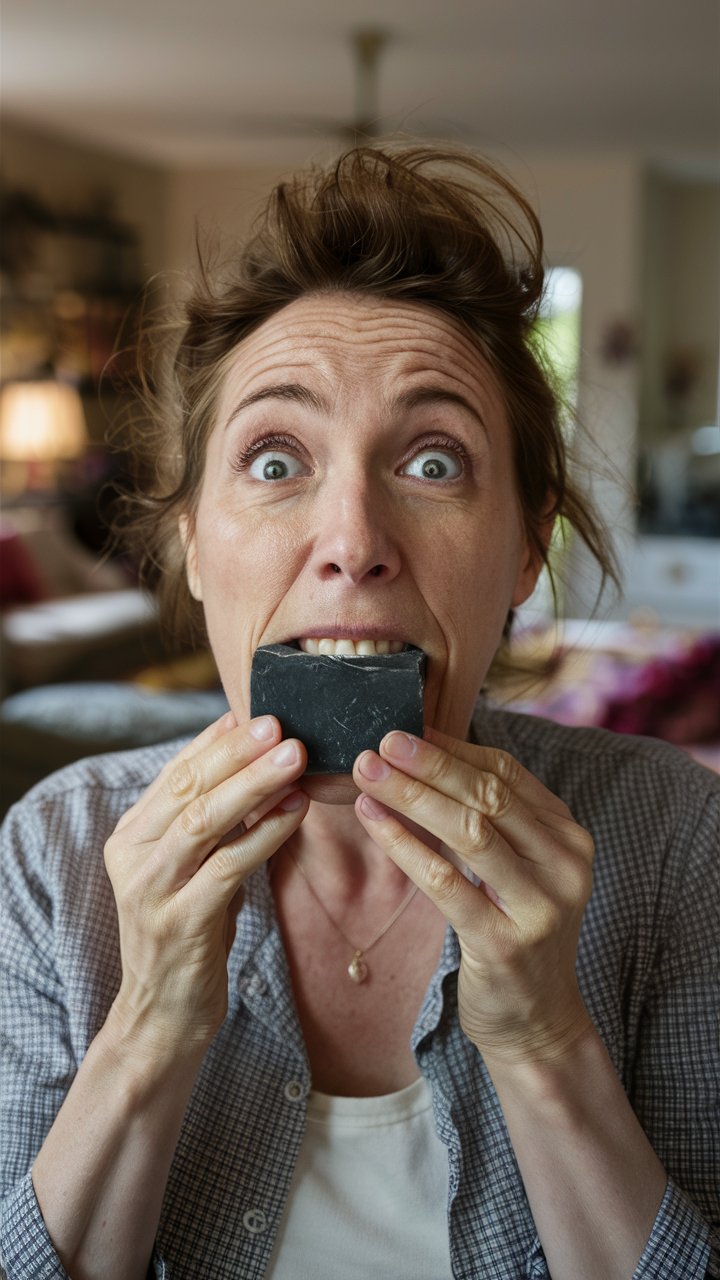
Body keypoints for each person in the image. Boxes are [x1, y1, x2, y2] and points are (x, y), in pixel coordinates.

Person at [1, 144, 717, 1280]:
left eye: (434, 461)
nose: (353, 542)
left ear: (529, 548)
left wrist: (545, 1038)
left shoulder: (676, 838)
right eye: (276, 458)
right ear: (192, 541)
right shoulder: (52, 854)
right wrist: (144, 1029)